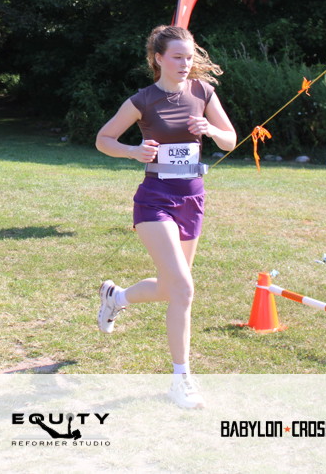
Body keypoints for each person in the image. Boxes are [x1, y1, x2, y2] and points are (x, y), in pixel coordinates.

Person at [94, 25, 236, 410]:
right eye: (177, 57)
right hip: (154, 201)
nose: (185, 63)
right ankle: (180, 379)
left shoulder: (203, 93)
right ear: (158, 59)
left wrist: (211, 129)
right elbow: (103, 139)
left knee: (172, 289)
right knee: (184, 289)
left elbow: (230, 139)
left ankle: (116, 297)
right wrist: (133, 151)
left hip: (192, 199)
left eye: (189, 57)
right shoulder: (143, 100)